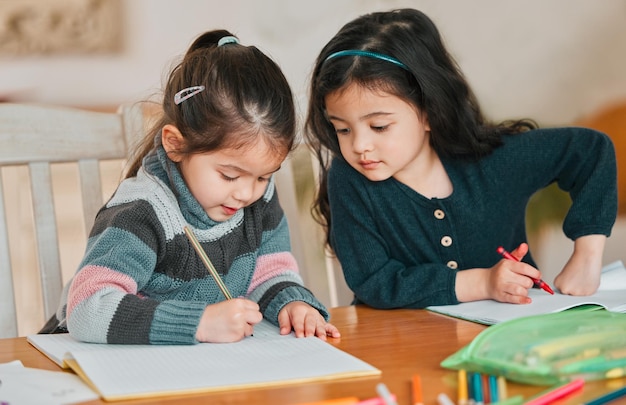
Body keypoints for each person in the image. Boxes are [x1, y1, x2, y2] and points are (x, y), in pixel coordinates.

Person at [40, 30, 340, 344]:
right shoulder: (142, 211)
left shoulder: (256, 197)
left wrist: (292, 302)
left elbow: (267, 272)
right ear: (175, 145)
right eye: (229, 175)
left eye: (263, 176)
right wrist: (199, 323)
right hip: (93, 358)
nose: (247, 193)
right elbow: (87, 309)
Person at [304, 8, 617, 309]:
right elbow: (374, 282)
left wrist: (587, 254)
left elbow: (591, 150)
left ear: (429, 113)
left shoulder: (493, 161)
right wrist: (482, 283)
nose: (359, 145)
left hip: (512, 336)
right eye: (342, 129)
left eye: (379, 126)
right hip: (400, 344)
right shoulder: (349, 179)